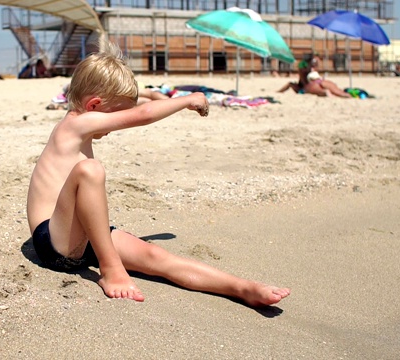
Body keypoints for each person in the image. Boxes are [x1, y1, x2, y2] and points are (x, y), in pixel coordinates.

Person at [26, 39, 290, 306]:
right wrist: (188, 99)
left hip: (79, 235)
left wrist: (151, 94)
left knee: (156, 257)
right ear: (94, 106)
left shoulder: (83, 118)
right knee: (90, 170)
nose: (113, 124)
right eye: (114, 116)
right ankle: (111, 269)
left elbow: (139, 105)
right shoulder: (74, 126)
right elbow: (145, 114)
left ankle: (242, 288)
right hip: (53, 242)